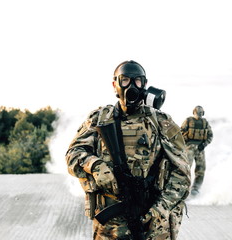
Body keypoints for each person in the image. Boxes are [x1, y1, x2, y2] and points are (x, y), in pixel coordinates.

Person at [65, 60, 191, 240]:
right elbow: (73, 154)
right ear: (114, 84)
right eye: (124, 80)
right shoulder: (99, 118)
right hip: (110, 225)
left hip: (152, 222)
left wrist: (159, 210)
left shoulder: (161, 122)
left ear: (145, 85)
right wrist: (95, 165)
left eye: (137, 81)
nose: (131, 86)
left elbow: (182, 173)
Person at [180, 106, 213, 196]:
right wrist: (185, 143)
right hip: (189, 148)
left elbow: (210, 135)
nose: (199, 115)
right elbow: (180, 132)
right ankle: (183, 188)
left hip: (200, 149)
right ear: (194, 112)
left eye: (201, 113)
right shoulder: (188, 121)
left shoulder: (205, 123)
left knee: (201, 169)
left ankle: (196, 188)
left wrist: (204, 144)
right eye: (198, 113)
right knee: (186, 169)